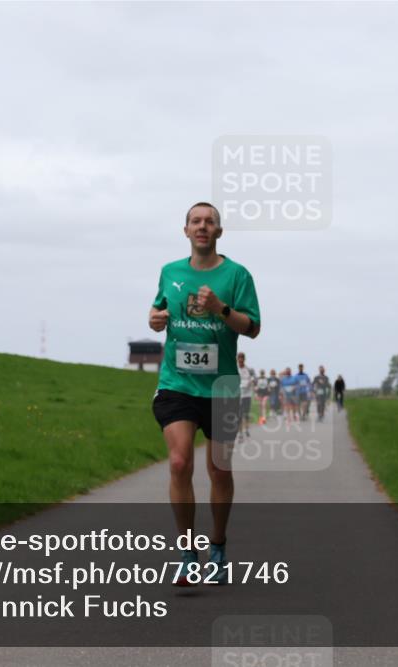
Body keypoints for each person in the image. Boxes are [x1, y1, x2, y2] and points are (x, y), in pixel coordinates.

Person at [149, 202, 260, 585]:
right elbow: (157, 310)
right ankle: (186, 554)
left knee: (219, 469)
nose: (202, 226)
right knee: (180, 463)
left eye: (209, 221)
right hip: (177, 383)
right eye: (196, 221)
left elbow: (252, 328)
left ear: (219, 232)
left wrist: (220, 308)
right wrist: (154, 318)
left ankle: (218, 546)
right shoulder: (170, 272)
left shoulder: (237, 274)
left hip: (221, 387)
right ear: (186, 231)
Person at [236, 352, 255, 441]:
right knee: (239, 414)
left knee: (246, 413)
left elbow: (254, 379)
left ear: (244, 359)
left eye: (242, 358)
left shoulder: (249, 369)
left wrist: (251, 382)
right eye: (239, 358)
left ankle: (246, 429)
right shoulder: (235, 369)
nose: (240, 359)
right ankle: (240, 433)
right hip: (238, 394)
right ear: (237, 359)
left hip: (247, 394)